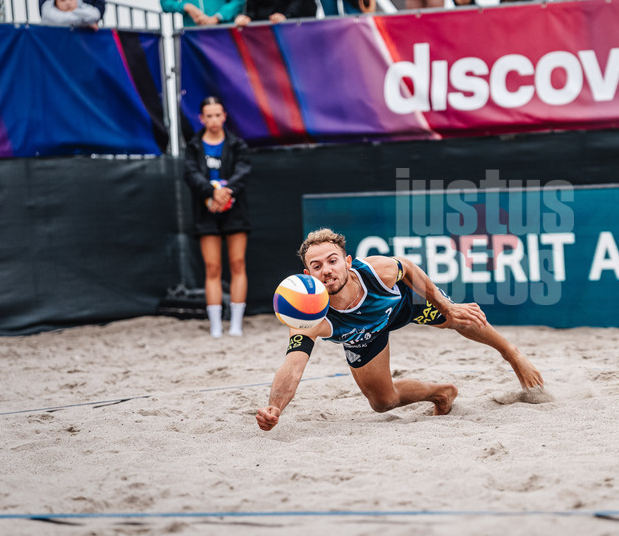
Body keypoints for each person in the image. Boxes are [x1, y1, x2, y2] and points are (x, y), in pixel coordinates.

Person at [256, 228, 545, 428]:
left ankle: (512, 353)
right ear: (307, 274)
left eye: (332, 261)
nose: (327, 270)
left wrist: (446, 307)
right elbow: (293, 367)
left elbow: (408, 268)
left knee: (458, 317)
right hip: (364, 335)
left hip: (401, 305)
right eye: (317, 266)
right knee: (382, 402)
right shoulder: (310, 316)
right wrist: (275, 408)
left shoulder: (375, 272)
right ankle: (441, 393)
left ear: (347, 262)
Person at [183, 97, 252, 339]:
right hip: (206, 212)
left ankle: (236, 324)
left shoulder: (237, 145)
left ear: (224, 116)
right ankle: (215, 326)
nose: (213, 120)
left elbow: (243, 170)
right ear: (201, 119)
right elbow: (191, 174)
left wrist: (225, 192)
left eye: (217, 115)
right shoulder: (193, 147)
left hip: (235, 212)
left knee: (237, 263)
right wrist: (211, 193)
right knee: (212, 267)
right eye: (208, 116)